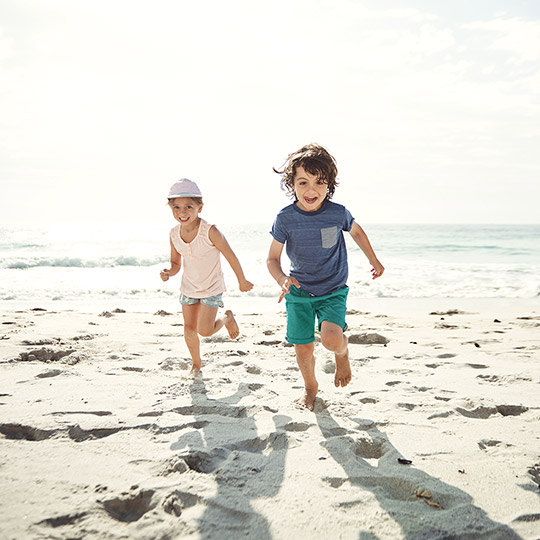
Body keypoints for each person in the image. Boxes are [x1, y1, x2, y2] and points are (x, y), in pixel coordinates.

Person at [267, 144, 384, 410]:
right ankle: (310, 387)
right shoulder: (285, 218)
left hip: (332, 289)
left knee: (331, 340)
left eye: (320, 182)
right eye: (303, 182)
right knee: (303, 347)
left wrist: (373, 259)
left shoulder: (337, 212)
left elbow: (356, 232)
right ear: (292, 184)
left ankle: (342, 353)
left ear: (329, 184)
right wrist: (283, 279)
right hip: (299, 293)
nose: (311, 190)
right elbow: (272, 259)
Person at [161, 178, 253, 376]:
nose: (182, 212)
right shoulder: (173, 234)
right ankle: (196, 363)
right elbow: (176, 263)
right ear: (171, 208)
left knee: (205, 330)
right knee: (188, 329)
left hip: (211, 287)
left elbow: (230, 255)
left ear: (199, 207)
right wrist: (169, 272)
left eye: (188, 206)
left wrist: (242, 280)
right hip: (189, 288)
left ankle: (227, 317)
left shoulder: (210, 231)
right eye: (176, 207)